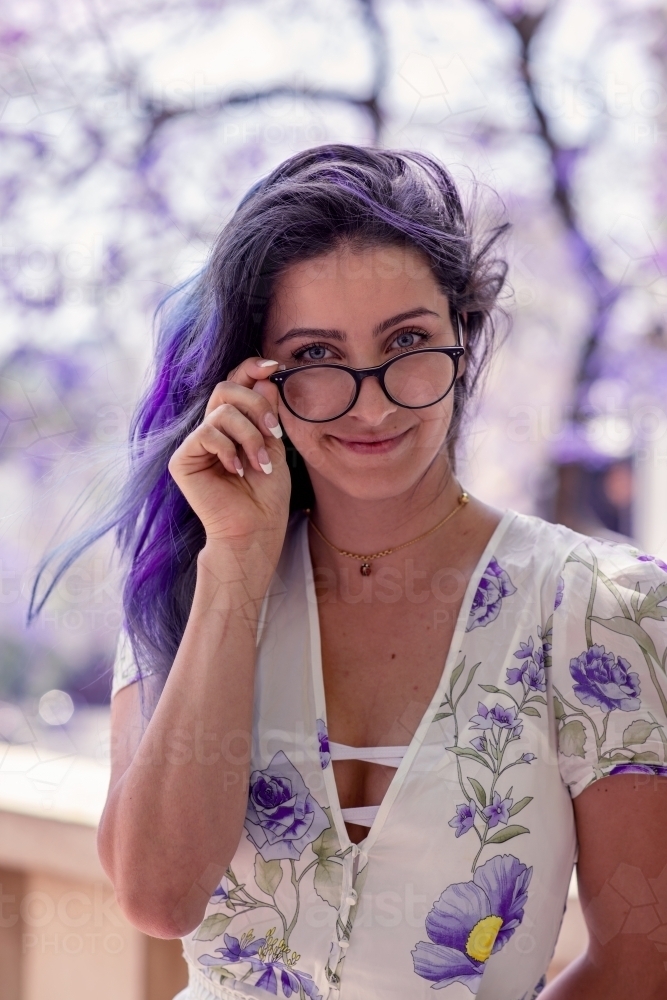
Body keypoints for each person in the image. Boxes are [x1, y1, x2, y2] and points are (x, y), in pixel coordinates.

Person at [41, 145, 667, 999]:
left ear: (464, 335)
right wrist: (236, 565)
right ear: (255, 380)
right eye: (315, 355)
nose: (371, 403)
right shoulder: (193, 583)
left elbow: (642, 961)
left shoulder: (600, 611)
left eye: (407, 341)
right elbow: (158, 896)